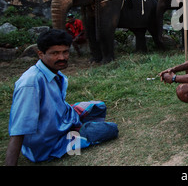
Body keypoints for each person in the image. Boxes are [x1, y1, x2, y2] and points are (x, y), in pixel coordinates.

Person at [5, 29, 118, 165]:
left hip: (61, 121)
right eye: (55, 53)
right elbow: (19, 128)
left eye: (65, 52)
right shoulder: (31, 83)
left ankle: (78, 126)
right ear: (40, 54)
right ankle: (77, 136)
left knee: (99, 106)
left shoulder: (54, 74)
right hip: (50, 143)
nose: (62, 57)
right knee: (111, 129)